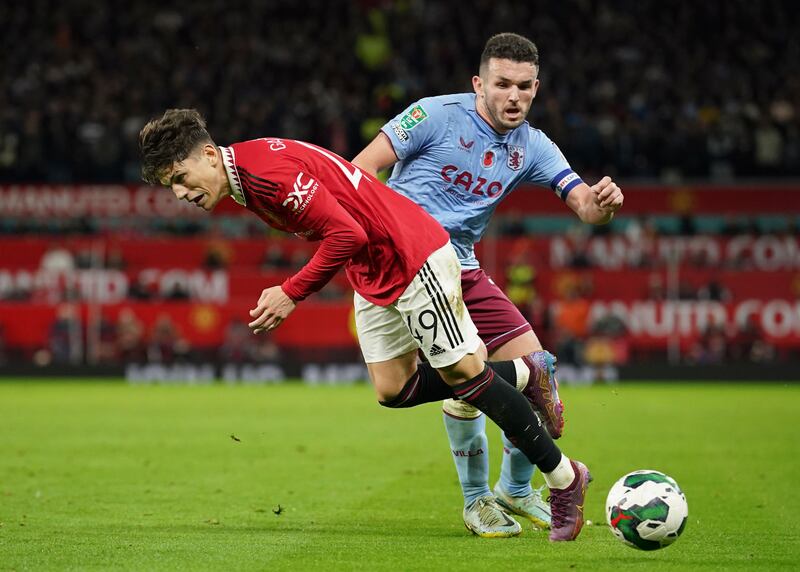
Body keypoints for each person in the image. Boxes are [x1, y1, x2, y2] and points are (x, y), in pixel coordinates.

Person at [138, 108, 591, 541]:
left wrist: (291, 291)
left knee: (467, 378)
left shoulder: (263, 173)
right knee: (393, 389)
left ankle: (564, 478)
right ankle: (523, 373)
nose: (180, 193)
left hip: (409, 256)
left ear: (209, 155)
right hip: (371, 268)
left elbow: (347, 232)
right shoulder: (246, 172)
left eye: (180, 178)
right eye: (169, 186)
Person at [353, 32, 623, 537]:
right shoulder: (431, 115)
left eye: (524, 86)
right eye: (502, 84)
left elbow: (583, 203)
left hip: (461, 269)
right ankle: (485, 478)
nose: (513, 96)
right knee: (400, 389)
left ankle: (508, 493)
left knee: (537, 370)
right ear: (479, 83)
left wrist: (602, 206)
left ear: (536, 88)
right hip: (397, 262)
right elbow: (361, 170)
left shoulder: (534, 145)